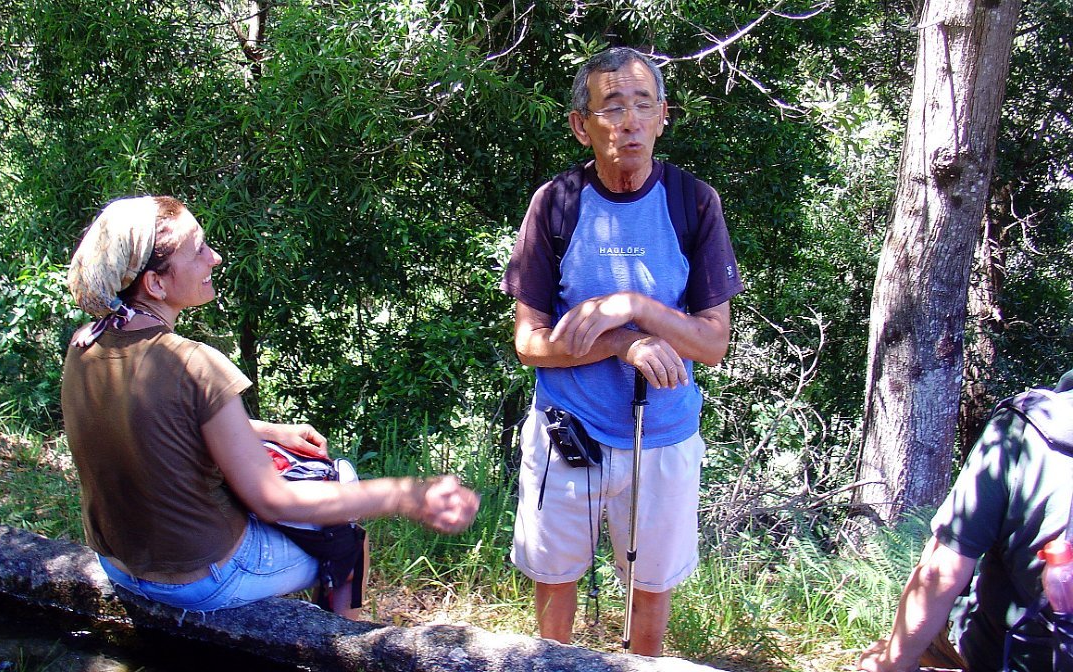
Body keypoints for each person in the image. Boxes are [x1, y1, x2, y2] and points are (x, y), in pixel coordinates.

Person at [62, 195, 479, 619]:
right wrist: (408, 495)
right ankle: (339, 643)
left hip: (118, 565)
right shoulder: (194, 364)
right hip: (199, 580)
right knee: (348, 542)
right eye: (199, 249)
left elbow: (154, 421)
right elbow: (273, 501)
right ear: (155, 284)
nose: (215, 258)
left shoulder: (86, 343)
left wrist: (269, 431)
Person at [500, 46, 745, 656]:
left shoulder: (694, 203)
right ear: (582, 125)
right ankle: (552, 667)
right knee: (555, 578)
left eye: (643, 104)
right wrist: (624, 343)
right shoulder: (556, 204)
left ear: (663, 116)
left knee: (650, 589)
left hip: (662, 435)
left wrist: (632, 304)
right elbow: (529, 344)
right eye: (612, 107)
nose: (629, 122)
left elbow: (713, 343)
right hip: (567, 431)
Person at [859, 370, 1073, 672]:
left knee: (941, 560)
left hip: (1010, 655)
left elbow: (944, 569)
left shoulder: (1023, 428)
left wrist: (893, 663)